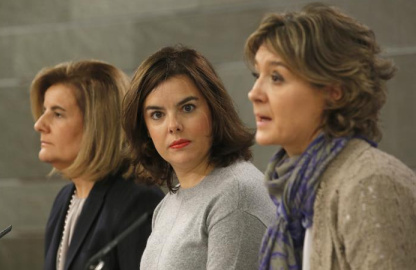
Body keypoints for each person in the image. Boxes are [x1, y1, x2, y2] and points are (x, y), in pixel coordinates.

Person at [245, 3, 416, 270]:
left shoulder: (371, 183)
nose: (254, 93)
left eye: (276, 77)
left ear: (334, 90)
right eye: (258, 75)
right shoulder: (293, 195)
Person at [122, 45, 275, 269]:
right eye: (157, 115)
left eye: (187, 108)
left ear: (214, 109)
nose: (173, 126)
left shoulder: (235, 195)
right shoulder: (167, 205)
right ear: (145, 129)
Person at [30, 60, 164, 270]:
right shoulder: (64, 200)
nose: (39, 125)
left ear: (98, 126)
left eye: (57, 114)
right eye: (44, 110)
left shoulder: (137, 201)